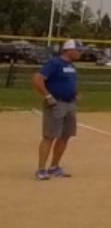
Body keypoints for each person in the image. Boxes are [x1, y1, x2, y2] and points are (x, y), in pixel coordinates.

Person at [32, 39, 84, 180]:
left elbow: (70, 82)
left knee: (65, 136)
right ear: (68, 50)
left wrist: (76, 93)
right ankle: (41, 169)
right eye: (78, 50)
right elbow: (37, 79)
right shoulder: (54, 63)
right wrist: (47, 96)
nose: (80, 53)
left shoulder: (71, 66)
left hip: (70, 104)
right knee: (49, 136)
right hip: (56, 104)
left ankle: (54, 167)